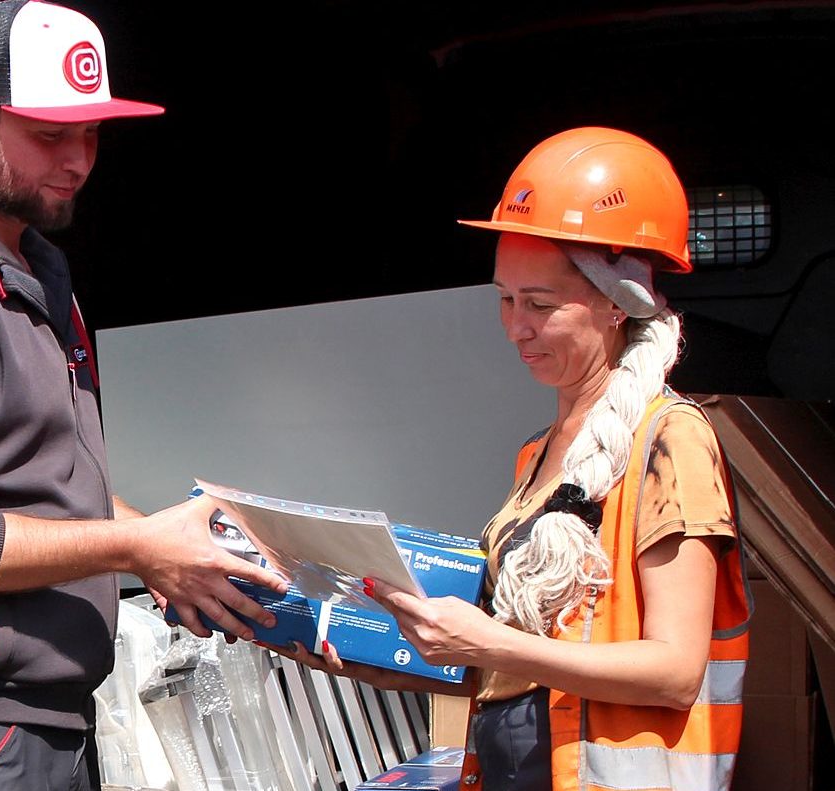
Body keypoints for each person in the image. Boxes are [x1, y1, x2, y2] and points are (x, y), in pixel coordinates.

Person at [0, 2, 286, 788]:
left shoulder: (32, 276)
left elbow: (45, 489)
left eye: (92, 133)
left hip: (43, 728)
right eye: (49, 134)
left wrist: (176, 548)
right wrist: (139, 545)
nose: (77, 160)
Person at [265, 127, 750, 791]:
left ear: (617, 304)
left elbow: (672, 672)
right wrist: (362, 652)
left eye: (539, 304)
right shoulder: (537, 452)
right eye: (504, 298)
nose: (514, 326)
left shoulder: (670, 440)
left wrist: (485, 642)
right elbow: (513, 666)